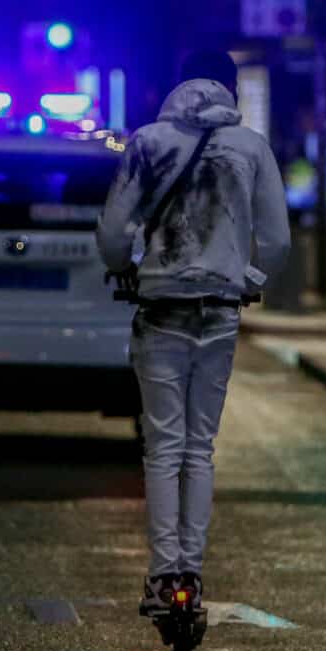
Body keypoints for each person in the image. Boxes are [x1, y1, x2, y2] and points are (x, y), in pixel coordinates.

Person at [96, 49, 290, 621]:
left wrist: (124, 265)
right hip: (220, 310)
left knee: (164, 447)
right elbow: (276, 241)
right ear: (230, 88)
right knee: (200, 448)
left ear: (175, 81)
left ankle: (163, 577)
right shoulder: (251, 148)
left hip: (159, 307)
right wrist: (250, 278)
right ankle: (193, 576)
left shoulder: (148, 144)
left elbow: (112, 232)